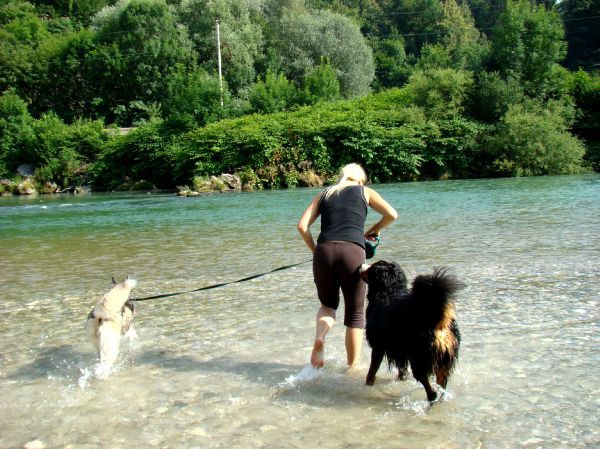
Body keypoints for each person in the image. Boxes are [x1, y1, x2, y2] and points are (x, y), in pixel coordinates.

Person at [297, 163, 398, 369]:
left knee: (328, 305)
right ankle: (352, 369)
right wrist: (373, 229)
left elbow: (302, 226)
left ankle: (320, 338)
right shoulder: (365, 192)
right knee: (355, 314)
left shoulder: (324, 193)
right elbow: (392, 215)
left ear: (342, 177)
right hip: (352, 251)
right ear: (360, 180)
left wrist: (316, 251)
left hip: (324, 251)